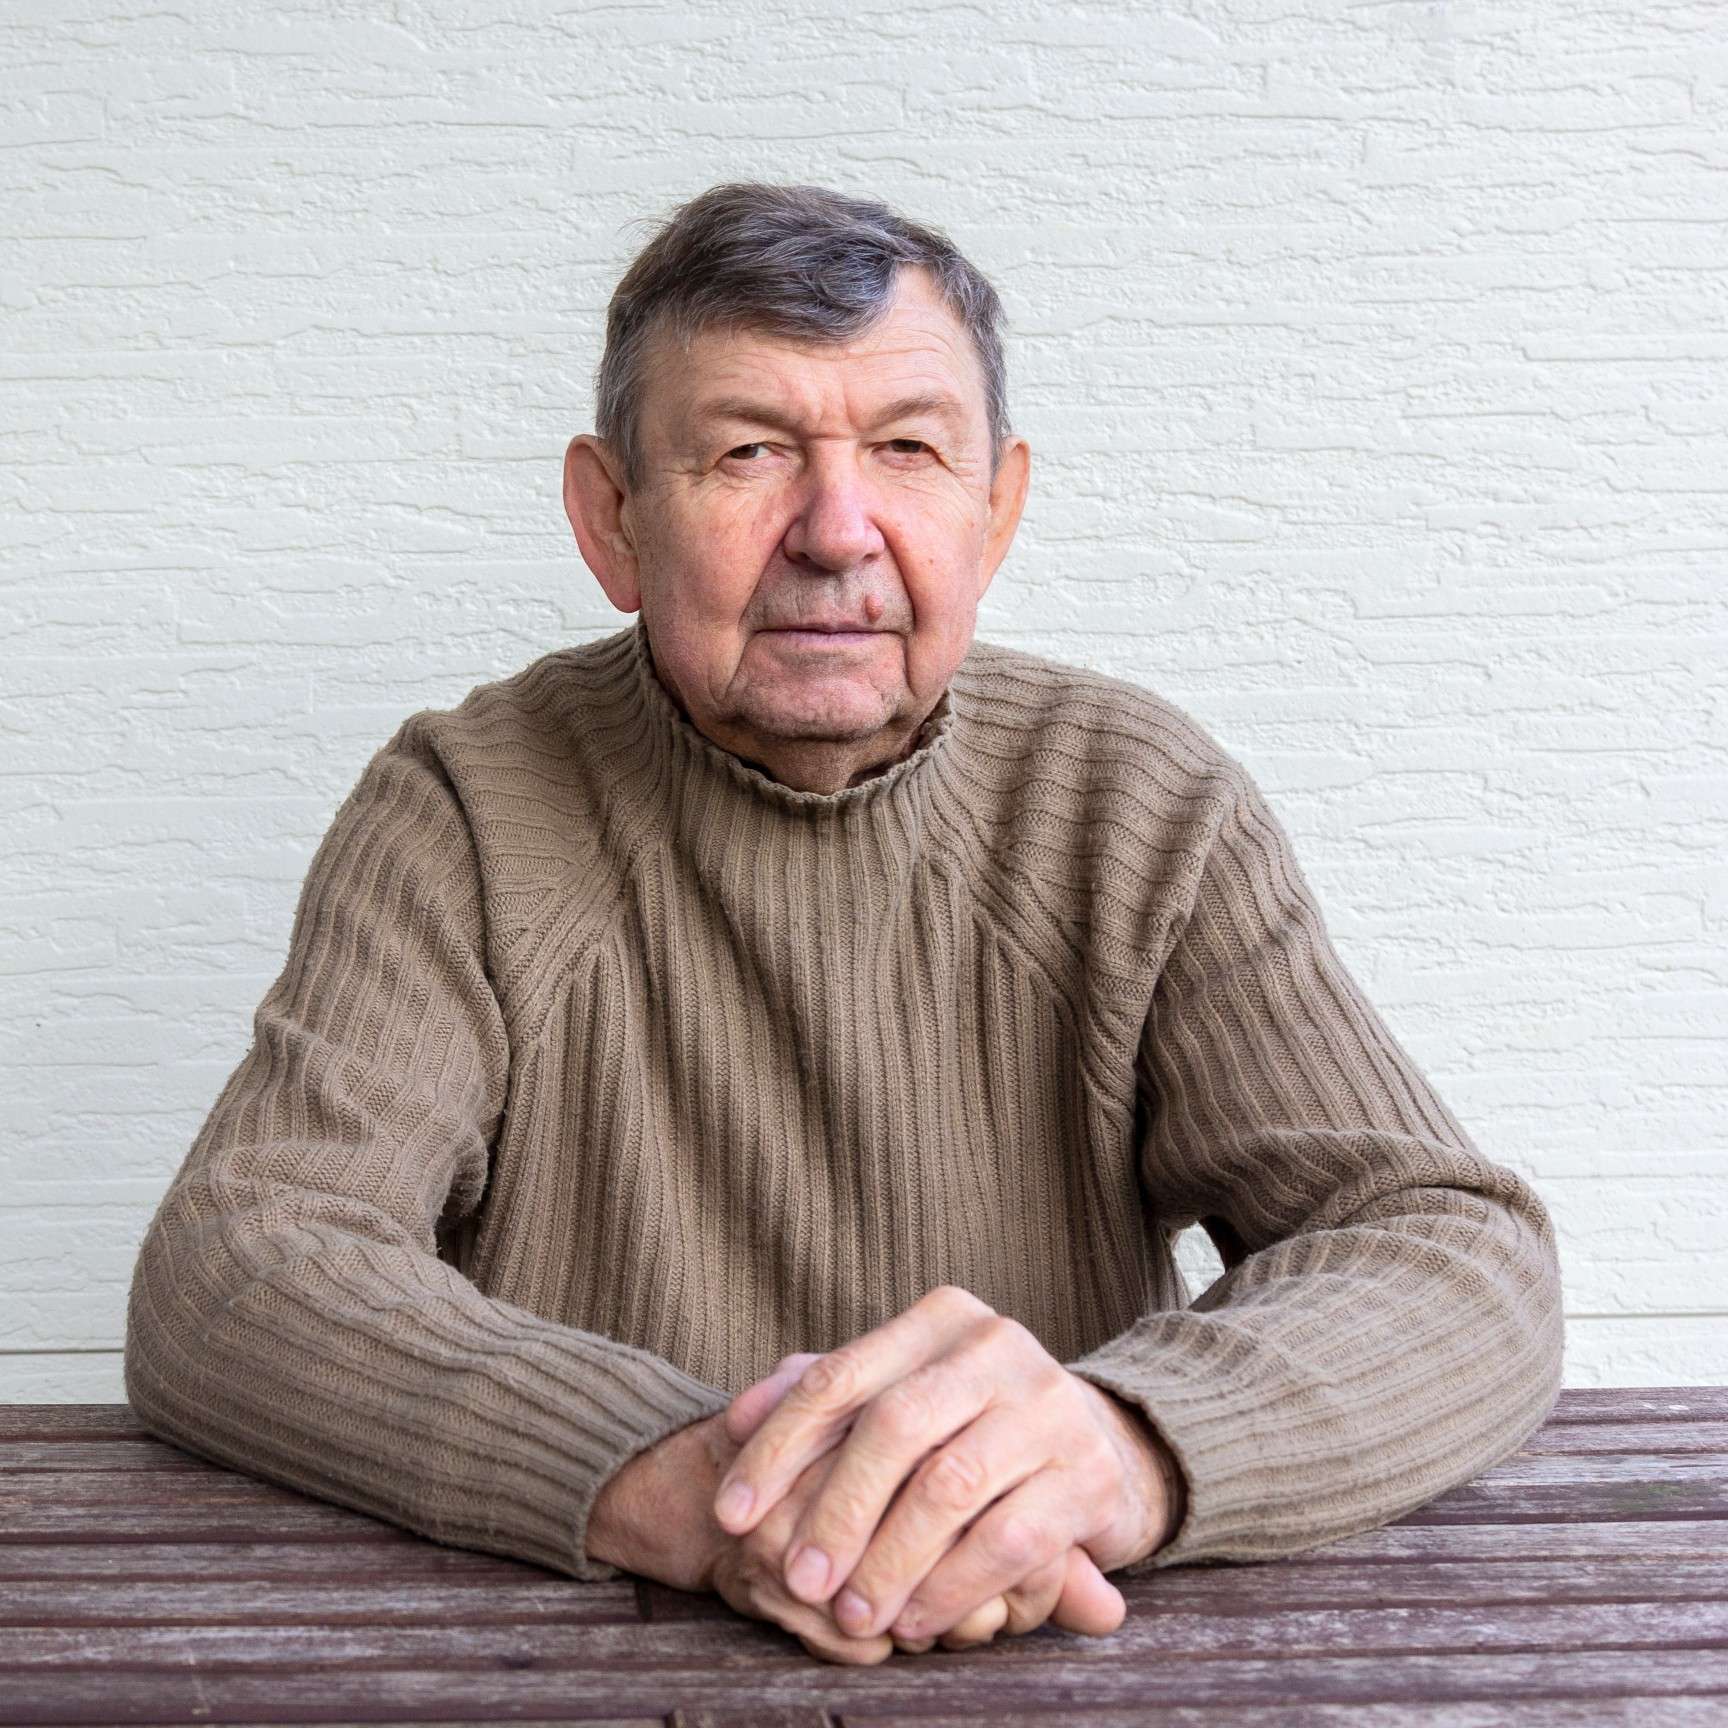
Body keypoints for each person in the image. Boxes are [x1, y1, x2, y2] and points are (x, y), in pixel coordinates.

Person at [123, 180, 1565, 1667]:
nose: (835, 529)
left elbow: (1454, 1254)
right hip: (578, 1670)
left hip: (1061, 1666)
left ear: (994, 511)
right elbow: (238, 1267)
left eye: (908, 450)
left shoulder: (1137, 800)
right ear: (611, 519)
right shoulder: (468, 806)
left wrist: (1113, 1450)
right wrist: (675, 1475)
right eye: (749, 452)